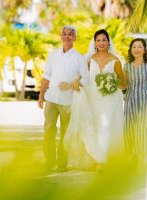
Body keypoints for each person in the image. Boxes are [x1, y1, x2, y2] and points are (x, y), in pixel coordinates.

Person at [64, 29, 126, 170]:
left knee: (106, 127)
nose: (101, 43)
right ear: (94, 43)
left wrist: (111, 83)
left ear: (108, 42)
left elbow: (123, 83)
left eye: (104, 40)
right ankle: (96, 157)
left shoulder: (115, 61)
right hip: (92, 97)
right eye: (98, 40)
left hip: (110, 99)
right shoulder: (89, 60)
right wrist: (75, 83)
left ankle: (103, 161)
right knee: (95, 126)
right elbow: (83, 77)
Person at [37, 25, 89, 172]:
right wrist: (41, 95)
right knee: (48, 130)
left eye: (70, 34)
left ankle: (62, 162)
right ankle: (49, 161)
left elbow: (86, 79)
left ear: (75, 38)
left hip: (68, 101)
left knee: (66, 132)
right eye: (64, 34)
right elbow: (46, 76)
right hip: (51, 99)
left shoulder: (80, 58)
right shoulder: (53, 55)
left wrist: (71, 85)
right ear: (61, 36)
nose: (67, 36)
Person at [123, 38, 147, 166]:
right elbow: (123, 86)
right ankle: (134, 155)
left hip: (146, 100)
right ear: (130, 49)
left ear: (145, 50)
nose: (136, 49)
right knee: (131, 128)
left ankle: (140, 158)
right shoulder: (126, 66)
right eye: (134, 46)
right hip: (130, 101)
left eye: (140, 46)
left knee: (144, 128)